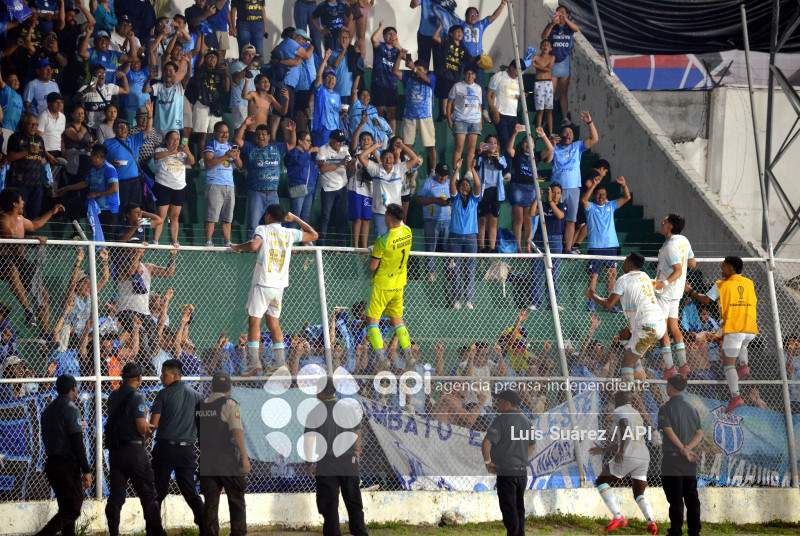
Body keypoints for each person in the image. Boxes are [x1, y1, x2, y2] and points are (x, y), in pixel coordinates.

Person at [231, 204, 318, 376]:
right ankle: (280, 364)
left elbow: (254, 245)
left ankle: (254, 363)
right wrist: (296, 219)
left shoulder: (263, 228)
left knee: (254, 323)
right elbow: (314, 235)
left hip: (263, 283)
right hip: (279, 286)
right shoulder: (289, 232)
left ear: (268, 216)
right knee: (274, 325)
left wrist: (239, 246)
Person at [685, 255, 758, 412]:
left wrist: (690, 291)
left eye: (723, 266)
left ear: (731, 269)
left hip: (734, 329)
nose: (721, 269)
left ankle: (736, 397)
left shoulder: (721, 285)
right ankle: (744, 365)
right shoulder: (749, 283)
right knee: (743, 344)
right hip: (750, 329)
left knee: (728, 365)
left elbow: (705, 300)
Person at [586, 251, 667, 386]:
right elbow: (657, 285)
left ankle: (630, 395)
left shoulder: (623, 279)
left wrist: (592, 295)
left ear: (629, 263)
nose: (622, 263)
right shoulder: (645, 276)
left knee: (627, 363)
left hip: (646, 326)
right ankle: (639, 374)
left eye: (625, 260)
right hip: (659, 325)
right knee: (624, 334)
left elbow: (609, 304)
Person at [105, 362, 167, 536]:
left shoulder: (113, 395)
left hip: (116, 452)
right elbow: (141, 427)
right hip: (134, 452)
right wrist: (149, 425)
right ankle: (157, 533)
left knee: (116, 497)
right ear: (139, 378)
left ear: (122, 377)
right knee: (148, 495)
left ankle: (113, 533)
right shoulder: (137, 395)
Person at [303, 376, 369, 536]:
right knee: (354, 501)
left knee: (329, 503)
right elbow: (357, 432)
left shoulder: (315, 412)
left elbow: (309, 441)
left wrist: (309, 463)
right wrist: (357, 453)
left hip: (327, 462)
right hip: (348, 460)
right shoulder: (348, 408)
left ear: (321, 390)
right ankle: (360, 532)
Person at [588, 391, 657, 534]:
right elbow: (630, 437)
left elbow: (625, 428)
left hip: (629, 455)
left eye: (614, 399)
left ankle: (618, 517)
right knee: (639, 493)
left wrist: (622, 452)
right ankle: (651, 521)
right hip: (643, 456)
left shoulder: (619, 410)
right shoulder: (636, 413)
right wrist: (604, 449)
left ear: (618, 400)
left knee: (601, 481)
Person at [149, 358, 204, 530]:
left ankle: (154, 530)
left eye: (164, 374)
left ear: (174, 375)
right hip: (187, 450)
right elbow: (201, 424)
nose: (160, 377)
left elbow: (154, 424)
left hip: (165, 449)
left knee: (158, 491)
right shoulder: (196, 396)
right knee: (189, 490)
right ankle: (206, 525)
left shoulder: (163, 395)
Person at [35, 374, 92, 536]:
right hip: (67, 466)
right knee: (73, 510)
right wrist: (86, 470)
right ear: (74, 388)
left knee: (65, 508)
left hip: (53, 464)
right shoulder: (71, 409)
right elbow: (77, 444)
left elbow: (46, 439)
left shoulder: (47, 411)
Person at [196, 371, 251, 536]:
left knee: (210, 503)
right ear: (230, 388)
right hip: (226, 458)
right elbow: (237, 432)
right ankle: (238, 533)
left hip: (206, 459)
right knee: (236, 499)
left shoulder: (200, 405)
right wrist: (245, 459)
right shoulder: (230, 405)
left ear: (211, 387)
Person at [0, 188, 63, 328]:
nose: (23, 202)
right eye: (21, 200)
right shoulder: (3, 221)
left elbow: (35, 225)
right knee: (12, 271)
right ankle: (28, 310)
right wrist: (33, 241)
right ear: (15, 204)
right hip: (4, 260)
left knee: (43, 295)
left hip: (20, 260)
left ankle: (45, 333)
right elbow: (14, 245)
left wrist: (52, 212)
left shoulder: (20, 219)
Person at [365, 204, 413, 371]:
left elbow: (372, 266)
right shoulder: (408, 232)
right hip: (399, 285)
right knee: (397, 320)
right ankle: (408, 354)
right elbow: (402, 222)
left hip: (382, 285)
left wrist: (370, 254)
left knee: (372, 322)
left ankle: (382, 358)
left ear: (388, 218)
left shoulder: (382, 240)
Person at [542, 110, 598, 253]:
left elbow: (594, 139)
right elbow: (547, 159)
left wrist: (589, 123)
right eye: (564, 133)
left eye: (570, 133)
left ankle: (567, 249)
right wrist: (552, 145)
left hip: (573, 188)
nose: (567, 135)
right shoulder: (554, 147)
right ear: (560, 135)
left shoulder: (577, 146)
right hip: (556, 189)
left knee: (571, 220)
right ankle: (552, 247)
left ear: (573, 136)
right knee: (554, 218)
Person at [481, 389, 535, 536]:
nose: (497, 403)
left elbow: (486, 443)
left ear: (507, 403)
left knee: (509, 508)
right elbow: (532, 445)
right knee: (519, 508)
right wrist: (520, 458)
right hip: (522, 471)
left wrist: (488, 462)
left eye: (499, 401)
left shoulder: (501, 420)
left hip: (506, 472)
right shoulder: (526, 421)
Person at [658, 374, 703, 536]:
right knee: (691, 497)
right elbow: (699, 433)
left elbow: (668, 431)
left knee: (675, 497)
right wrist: (689, 449)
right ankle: (694, 530)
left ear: (670, 387)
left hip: (673, 459)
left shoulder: (665, 408)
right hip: (690, 459)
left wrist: (682, 449)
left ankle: (676, 530)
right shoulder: (692, 408)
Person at [654, 213, 697, 379]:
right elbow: (692, 263)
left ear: (670, 226)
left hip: (665, 292)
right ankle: (683, 364)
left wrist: (663, 283)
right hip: (678, 291)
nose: (662, 222)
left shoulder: (669, 245)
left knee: (662, 329)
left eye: (665, 221)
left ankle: (670, 367)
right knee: (674, 327)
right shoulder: (684, 240)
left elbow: (678, 270)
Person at [233, 116, 288, 240]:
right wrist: (244, 125)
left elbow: (291, 144)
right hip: (256, 193)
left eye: (263, 134)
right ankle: (250, 246)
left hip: (273, 194)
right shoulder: (250, 148)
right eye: (257, 135)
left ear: (269, 136)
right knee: (253, 224)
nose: (260, 137)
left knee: (276, 224)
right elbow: (237, 139)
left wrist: (292, 131)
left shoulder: (277, 147)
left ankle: (272, 244)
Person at [581, 174, 631, 312]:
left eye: (603, 194)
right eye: (598, 194)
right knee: (594, 275)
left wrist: (624, 185)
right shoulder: (590, 207)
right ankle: (591, 303)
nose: (601, 197)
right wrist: (593, 186)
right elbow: (584, 199)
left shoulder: (611, 205)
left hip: (611, 246)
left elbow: (627, 197)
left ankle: (609, 304)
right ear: (594, 196)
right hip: (595, 247)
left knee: (612, 274)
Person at [357, 140, 420, 237]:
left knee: (395, 238)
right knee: (381, 237)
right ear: (381, 159)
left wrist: (403, 146)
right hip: (380, 211)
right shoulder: (376, 169)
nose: (388, 160)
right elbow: (361, 157)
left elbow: (415, 159)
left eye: (390, 158)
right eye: (385, 158)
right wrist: (374, 147)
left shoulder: (399, 168)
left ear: (394, 160)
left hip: (395, 211)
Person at [6, 114, 60, 220]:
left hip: (36, 183)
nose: (34, 127)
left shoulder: (39, 139)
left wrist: (47, 178)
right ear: (24, 125)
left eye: (36, 124)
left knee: (34, 214)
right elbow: (10, 157)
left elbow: (42, 159)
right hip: (20, 183)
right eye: (31, 124)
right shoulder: (15, 137)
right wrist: (27, 151)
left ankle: (30, 236)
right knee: (17, 214)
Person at [104, 103, 154, 214]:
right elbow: (101, 162)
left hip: (134, 182)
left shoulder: (134, 140)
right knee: (120, 209)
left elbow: (148, 129)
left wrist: (150, 114)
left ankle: (136, 230)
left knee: (135, 210)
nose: (123, 129)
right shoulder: (108, 143)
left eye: (125, 127)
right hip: (118, 183)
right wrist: (110, 162)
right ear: (114, 130)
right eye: (119, 127)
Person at [394, 50, 436, 174]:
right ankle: (406, 169)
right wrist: (399, 57)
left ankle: (433, 171)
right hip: (409, 117)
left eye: (420, 69)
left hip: (426, 117)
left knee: (430, 146)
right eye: (415, 68)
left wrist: (413, 67)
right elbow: (395, 72)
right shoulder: (409, 80)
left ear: (426, 70)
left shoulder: (431, 78)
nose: (416, 71)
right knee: (406, 146)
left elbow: (427, 80)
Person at [447, 159, 481, 309]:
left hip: (471, 238)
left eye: (467, 185)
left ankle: (469, 300)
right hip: (454, 237)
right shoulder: (455, 199)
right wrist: (457, 169)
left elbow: (478, 186)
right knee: (456, 270)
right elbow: (451, 185)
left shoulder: (474, 199)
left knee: (470, 270)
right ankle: (456, 300)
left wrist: (473, 169)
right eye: (463, 185)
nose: (465, 186)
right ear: (459, 188)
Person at [203, 121, 242, 247]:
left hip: (229, 185)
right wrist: (226, 156)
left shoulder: (231, 145)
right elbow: (208, 162)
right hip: (214, 184)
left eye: (226, 132)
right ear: (215, 133)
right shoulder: (210, 144)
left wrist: (236, 158)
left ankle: (227, 242)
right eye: (221, 132)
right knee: (212, 215)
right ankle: (208, 242)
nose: (224, 135)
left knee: (228, 217)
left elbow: (240, 166)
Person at [152, 131, 194, 246]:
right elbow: (156, 157)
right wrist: (171, 152)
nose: (175, 141)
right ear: (166, 140)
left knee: (175, 216)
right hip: (164, 186)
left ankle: (174, 241)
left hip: (179, 187)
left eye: (177, 139)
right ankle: (155, 241)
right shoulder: (160, 150)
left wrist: (187, 151)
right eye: (172, 139)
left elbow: (192, 161)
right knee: (161, 216)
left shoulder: (182, 154)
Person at [530, 182, 566, 311]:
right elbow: (532, 213)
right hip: (540, 239)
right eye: (553, 192)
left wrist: (551, 201)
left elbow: (559, 215)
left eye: (558, 192)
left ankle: (553, 303)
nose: (556, 195)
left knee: (553, 275)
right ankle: (536, 302)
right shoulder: (543, 205)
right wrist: (537, 198)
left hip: (556, 241)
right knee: (536, 273)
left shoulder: (562, 205)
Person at [542, 5, 580, 125]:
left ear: (567, 14)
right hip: (553, 61)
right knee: (550, 92)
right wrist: (552, 24)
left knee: (563, 91)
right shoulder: (552, 27)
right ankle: (546, 117)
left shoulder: (569, 27)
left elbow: (576, 29)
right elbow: (543, 37)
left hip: (564, 62)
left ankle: (564, 118)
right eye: (558, 13)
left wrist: (566, 19)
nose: (560, 15)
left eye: (562, 13)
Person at [316, 129, 353, 246]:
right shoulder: (323, 150)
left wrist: (352, 164)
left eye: (342, 141)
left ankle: (341, 246)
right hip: (328, 189)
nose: (340, 144)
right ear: (331, 140)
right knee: (325, 217)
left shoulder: (345, 149)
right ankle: (320, 244)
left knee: (341, 217)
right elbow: (322, 169)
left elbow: (350, 171)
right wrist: (339, 164)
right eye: (338, 141)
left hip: (342, 187)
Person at [415, 163, 451, 281]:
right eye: (441, 175)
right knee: (431, 247)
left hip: (447, 220)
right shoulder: (428, 183)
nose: (443, 178)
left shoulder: (450, 183)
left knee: (447, 247)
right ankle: (430, 273)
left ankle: (449, 273)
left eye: (445, 175)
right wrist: (434, 200)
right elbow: (419, 200)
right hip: (431, 220)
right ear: (436, 173)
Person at [447, 66, 482, 178]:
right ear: (464, 75)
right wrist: (449, 119)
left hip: (475, 120)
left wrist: (480, 121)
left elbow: (479, 105)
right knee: (459, 147)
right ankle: (456, 170)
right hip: (460, 119)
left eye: (472, 74)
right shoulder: (457, 86)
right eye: (468, 73)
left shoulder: (478, 88)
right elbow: (449, 104)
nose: (470, 76)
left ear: (475, 76)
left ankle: (468, 171)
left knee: (471, 148)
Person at [474, 134, 506, 252]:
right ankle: (481, 246)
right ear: (485, 145)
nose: (493, 145)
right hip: (482, 191)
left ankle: (492, 248)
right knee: (481, 219)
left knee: (493, 220)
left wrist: (497, 157)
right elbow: (473, 165)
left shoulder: (500, 157)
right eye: (490, 143)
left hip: (495, 192)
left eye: (495, 143)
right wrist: (478, 152)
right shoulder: (481, 157)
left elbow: (503, 167)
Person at [284, 128, 319, 230]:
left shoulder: (308, 155)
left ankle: (304, 242)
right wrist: (310, 151)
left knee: (305, 218)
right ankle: (291, 242)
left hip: (309, 189)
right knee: (295, 216)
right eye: (307, 140)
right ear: (299, 141)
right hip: (298, 187)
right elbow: (299, 162)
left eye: (310, 141)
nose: (310, 143)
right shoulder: (293, 153)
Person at [370, 21, 400, 132]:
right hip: (378, 84)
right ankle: (381, 136)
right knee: (379, 113)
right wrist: (381, 27)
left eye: (394, 33)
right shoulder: (380, 46)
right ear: (384, 36)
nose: (391, 35)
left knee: (392, 114)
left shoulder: (398, 50)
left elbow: (408, 60)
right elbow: (373, 39)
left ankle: (392, 138)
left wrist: (399, 47)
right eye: (389, 33)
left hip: (392, 86)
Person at [486, 60, 520, 157]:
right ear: (512, 67)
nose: (518, 74)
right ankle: (504, 168)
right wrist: (494, 111)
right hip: (501, 113)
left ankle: (506, 167)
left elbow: (518, 99)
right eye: (517, 71)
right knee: (504, 141)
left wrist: (522, 97)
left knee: (510, 144)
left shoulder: (518, 80)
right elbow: (488, 95)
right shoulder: (499, 76)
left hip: (513, 114)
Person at [532, 40, 555, 137]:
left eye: (548, 45)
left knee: (548, 109)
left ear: (550, 49)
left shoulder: (552, 57)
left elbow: (548, 69)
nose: (545, 46)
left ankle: (550, 133)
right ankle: (539, 132)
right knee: (540, 110)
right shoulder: (536, 57)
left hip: (548, 83)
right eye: (544, 45)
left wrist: (536, 65)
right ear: (541, 47)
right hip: (538, 83)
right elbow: (530, 62)